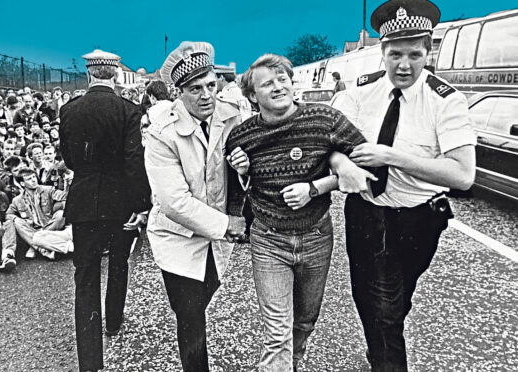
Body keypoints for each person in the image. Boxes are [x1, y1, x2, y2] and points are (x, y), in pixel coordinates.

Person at [331, 1, 476, 370]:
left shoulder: (446, 102)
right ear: (382, 52)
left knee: (390, 306)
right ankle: (383, 357)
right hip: (365, 215)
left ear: (429, 51)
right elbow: (329, 142)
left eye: (415, 54)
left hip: (417, 221)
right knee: (378, 307)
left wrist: (391, 157)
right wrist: (340, 163)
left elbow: (462, 174)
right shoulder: (360, 94)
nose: (404, 65)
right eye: (395, 54)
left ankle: (380, 350)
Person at [226, 53, 372, 372]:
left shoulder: (325, 119)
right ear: (252, 95)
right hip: (268, 240)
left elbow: (365, 164)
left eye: (283, 79)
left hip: (316, 235)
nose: (278, 87)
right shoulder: (242, 136)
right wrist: (244, 171)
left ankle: (294, 360)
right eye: (268, 83)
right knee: (278, 332)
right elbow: (236, 188)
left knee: (304, 322)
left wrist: (316, 188)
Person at [144, 41, 246, 372]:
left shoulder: (232, 118)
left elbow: (246, 173)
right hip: (178, 237)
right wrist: (228, 225)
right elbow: (174, 201)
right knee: (189, 315)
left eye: (211, 86)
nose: (206, 96)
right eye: (194, 89)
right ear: (178, 92)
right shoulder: (162, 133)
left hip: (215, 237)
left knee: (204, 297)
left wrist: (245, 170)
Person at [59, 49, 150, 372]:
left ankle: (90, 363)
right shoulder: (128, 110)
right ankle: (113, 320)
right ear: (113, 74)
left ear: (89, 74)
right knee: (119, 263)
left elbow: (69, 159)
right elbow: (133, 161)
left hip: (83, 200)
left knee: (85, 277)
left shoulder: (70, 110)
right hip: (120, 200)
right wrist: (142, 206)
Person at [6, 167, 68, 260]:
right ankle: (43, 250)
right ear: (22, 183)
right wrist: (15, 218)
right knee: (16, 222)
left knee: (61, 214)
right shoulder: (17, 200)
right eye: (29, 179)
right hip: (32, 228)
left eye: (34, 177)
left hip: (48, 225)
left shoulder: (48, 190)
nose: (33, 180)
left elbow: (64, 196)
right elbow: (8, 214)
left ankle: (34, 246)